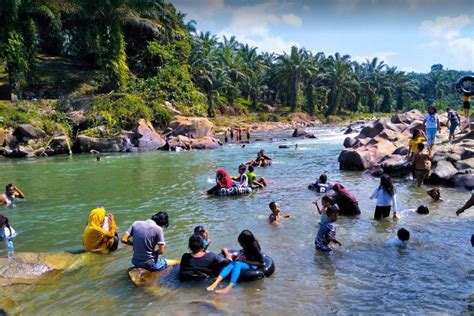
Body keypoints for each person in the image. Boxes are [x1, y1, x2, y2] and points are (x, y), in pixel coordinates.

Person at [206, 230, 265, 294]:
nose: (240, 244)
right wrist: (240, 257)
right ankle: (216, 282)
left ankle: (229, 288)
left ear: (246, 241)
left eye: (241, 242)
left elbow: (262, 263)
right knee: (232, 263)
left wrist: (246, 261)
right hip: (247, 262)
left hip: (253, 265)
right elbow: (245, 252)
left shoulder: (254, 247)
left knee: (237, 264)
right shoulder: (247, 245)